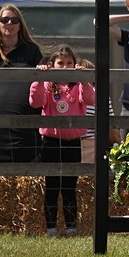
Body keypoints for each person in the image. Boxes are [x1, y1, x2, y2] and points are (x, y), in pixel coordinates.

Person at [30, 44, 95, 237]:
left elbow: (90, 99)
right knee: (51, 187)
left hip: (73, 142)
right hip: (50, 142)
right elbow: (36, 102)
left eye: (69, 63)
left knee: (69, 187)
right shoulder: (49, 85)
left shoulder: (78, 87)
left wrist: (83, 80)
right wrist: (40, 79)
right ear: (52, 65)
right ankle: (51, 228)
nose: (65, 67)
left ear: (76, 65)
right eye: (61, 63)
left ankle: (71, 227)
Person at [0, 5, 44, 163]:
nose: (9, 23)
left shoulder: (31, 50)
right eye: (5, 19)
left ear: (20, 25)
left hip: (23, 117)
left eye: (14, 20)